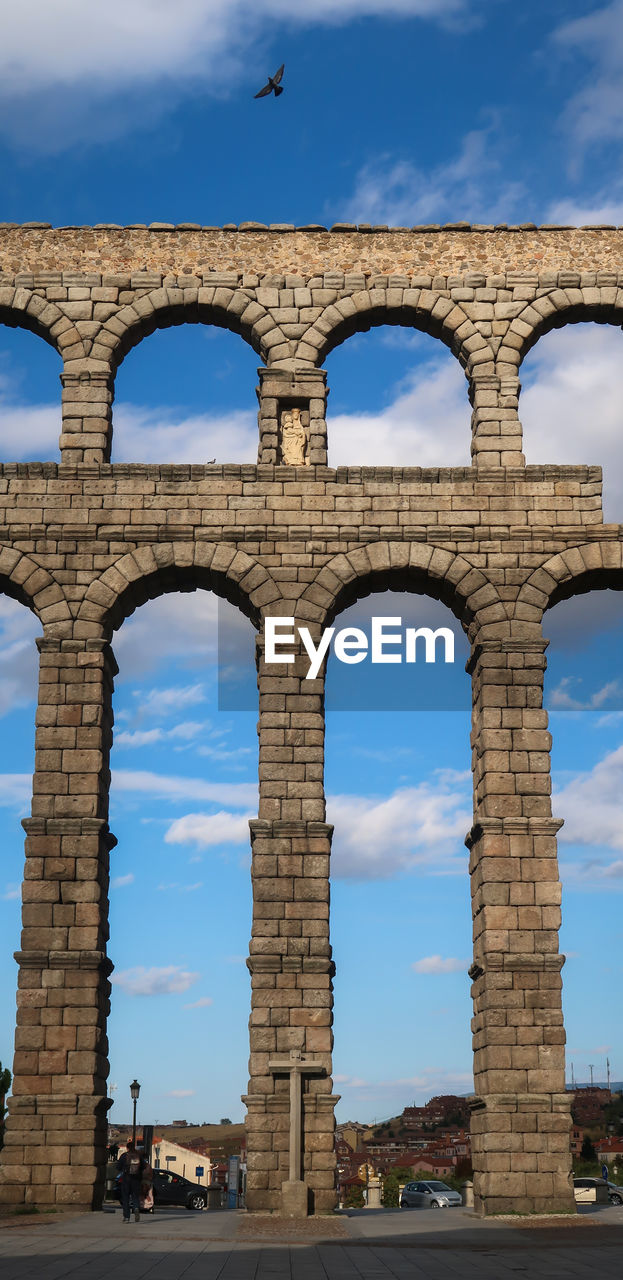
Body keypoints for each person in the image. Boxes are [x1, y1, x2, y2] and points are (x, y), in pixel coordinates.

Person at [116, 1139, 145, 1223]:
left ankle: (127, 1217)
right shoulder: (139, 1156)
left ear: (127, 1148)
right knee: (135, 1196)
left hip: (126, 1179)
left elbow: (118, 1167)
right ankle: (136, 1208)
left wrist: (123, 1168)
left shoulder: (124, 1156)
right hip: (136, 1180)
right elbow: (143, 1167)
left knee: (125, 1198)